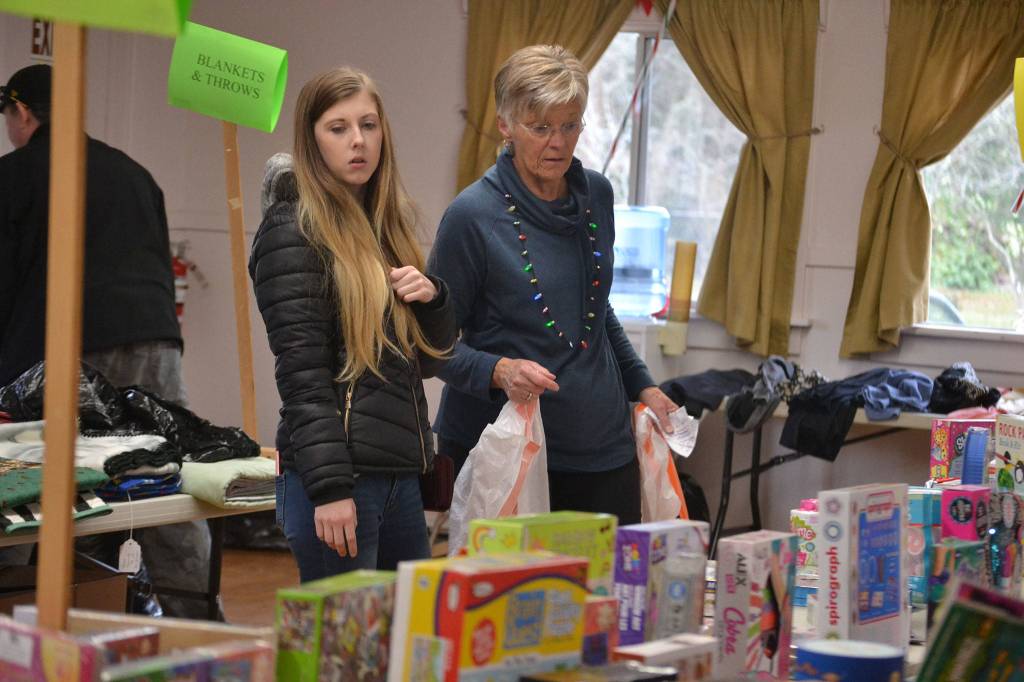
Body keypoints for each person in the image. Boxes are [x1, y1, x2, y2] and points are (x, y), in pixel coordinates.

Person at [428, 45, 679, 525]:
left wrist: (644, 387)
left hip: (601, 443)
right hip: (508, 451)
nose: (558, 143)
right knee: (516, 600)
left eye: (570, 125)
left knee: (606, 594)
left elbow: (595, 313)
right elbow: (430, 347)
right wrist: (499, 370)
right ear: (505, 124)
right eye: (540, 127)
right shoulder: (472, 216)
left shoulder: (597, 196)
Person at [0, 64, 215, 618]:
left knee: (31, 483)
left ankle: (17, 610)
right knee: (161, 473)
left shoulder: (15, 175)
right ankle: (194, 610)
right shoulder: (135, 173)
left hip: (67, 344)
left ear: (22, 112)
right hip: (154, 340)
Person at [250, 67, 456, 582]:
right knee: (341, 655)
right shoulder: (293, 230)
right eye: (337, 128)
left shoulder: (385, 225)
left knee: (405, 643)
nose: (358, 141)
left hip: (397, 476)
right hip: (337, 484)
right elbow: (303, 376)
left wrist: (433, 299)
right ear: (311, 139)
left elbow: (431, 361)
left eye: (368, 124)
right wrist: (331, 490)